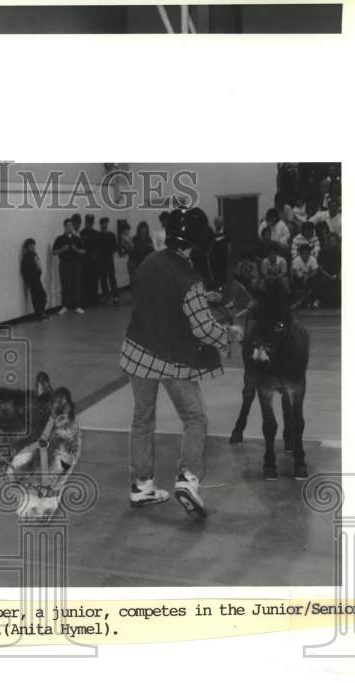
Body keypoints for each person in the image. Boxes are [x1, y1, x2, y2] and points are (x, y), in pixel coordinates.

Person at [119, 207, 242, 518]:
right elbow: (202, 328)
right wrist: (228, 335)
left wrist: (202, 298)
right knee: (195, 418)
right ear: (197, 242)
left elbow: (160, 297)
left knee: (142, 420)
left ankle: (141, 486)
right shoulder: (189, 278)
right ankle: (188, 478)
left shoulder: (149, 261)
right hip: (171, 360)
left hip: (136, 352)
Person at [52, 218, 85, 314]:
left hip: (76, 264)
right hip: (64, 264)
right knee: (65, 285)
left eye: (71, 225)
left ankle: (77, 306)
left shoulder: (77, 239)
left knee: (76, 284)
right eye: (68, 226)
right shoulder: (59, 239)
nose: (69, 227)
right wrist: (62, 249)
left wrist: (76, 250)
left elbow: (84, 251)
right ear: (64, 227)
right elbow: (54, 252)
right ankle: (64, 306)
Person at [20, 237, 49, 320]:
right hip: (32, 280)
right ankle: (39, 314)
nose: (33, 247)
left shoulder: (34, 254)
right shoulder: (26, 257)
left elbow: (38, 265)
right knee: (36, 297)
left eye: (33, 245)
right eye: (31, 246)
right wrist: (28, 281)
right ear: (27, 247)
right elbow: (24, 270)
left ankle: (41, 312)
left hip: (37, 278)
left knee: (42, 295)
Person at [128, 220, 155, 295]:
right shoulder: (135, 238)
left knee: (145, 280)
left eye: (145, 228)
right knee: (135, 280)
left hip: (145, 262)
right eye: (142, 228)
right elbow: (132, 250)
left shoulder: (148, 239)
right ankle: (135, 296)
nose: (143, 230)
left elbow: (152, 251)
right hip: (136, 261)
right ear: (139, 229)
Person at [97, 216, 119, 304]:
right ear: (100, 225)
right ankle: (106, 295)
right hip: (101, 260)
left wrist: (111, 254)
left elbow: (115, 247)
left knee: (112, 277)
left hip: (109, 259)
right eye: (103, 223)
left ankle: (115, 296)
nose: (104, 225)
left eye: (106, 223)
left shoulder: (111, 235)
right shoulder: (98, 235)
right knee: (103, 278)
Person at [207, 216, 231, 295]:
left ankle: (222, 288)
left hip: (223, 256)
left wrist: (228, 255)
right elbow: (210, 245)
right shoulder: (211, 233)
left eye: (220, 223)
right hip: (214, 257)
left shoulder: (226, 233)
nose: (218, 224)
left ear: (222, 224)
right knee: (215, 272)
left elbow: (229, 246)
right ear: (214, 223)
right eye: (216, 223)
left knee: (222, 272)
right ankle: (215, 288)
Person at [80, 214, 100, 307]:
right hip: (85, 261)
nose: (89, 223)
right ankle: (86, 301)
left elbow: (99, 248)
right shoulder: (81, 233)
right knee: (85, 281)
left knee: (94, 281)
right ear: (85, 222)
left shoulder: (96, 233)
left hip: (94, 261)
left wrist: (96, 255)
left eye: (91, 221)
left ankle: (94, 300)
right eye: (88, 221)